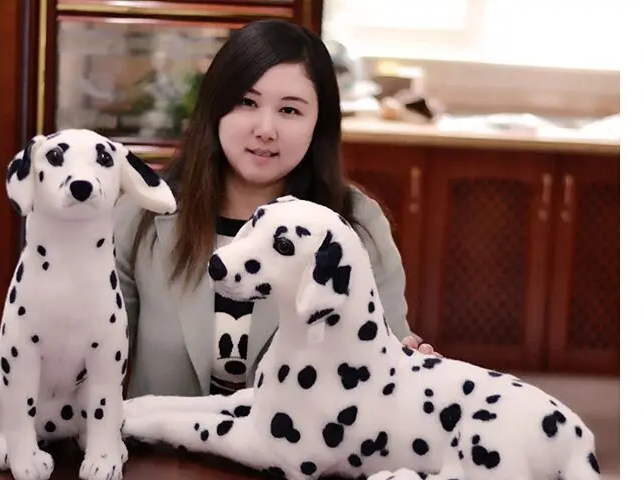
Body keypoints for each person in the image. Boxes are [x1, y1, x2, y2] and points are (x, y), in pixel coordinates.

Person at [114, 19, 438, 399]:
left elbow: (385, 366)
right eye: (247, 102)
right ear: (216, 107)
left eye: (289, 110)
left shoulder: (356, 226)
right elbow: (93, 353)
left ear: (319, 123)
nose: (265, 129)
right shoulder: (142, 214)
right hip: (160, 437)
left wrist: (411, 370)